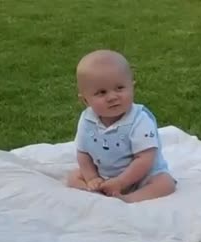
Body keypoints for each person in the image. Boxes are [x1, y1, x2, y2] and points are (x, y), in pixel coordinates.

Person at [66, 49, 176, 203]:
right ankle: (93, 191)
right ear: (85, 101)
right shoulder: (87, 120)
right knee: (73, 177)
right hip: (104, 174)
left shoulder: (139, 119)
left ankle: (130, 198)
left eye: (119, 88)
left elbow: (145, 159)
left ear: (132, 87)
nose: (112, 97)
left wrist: (121, 183)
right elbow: (83, 153)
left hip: (141, 176)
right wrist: (92, 177)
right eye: (101, 92)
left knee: (165, 183)